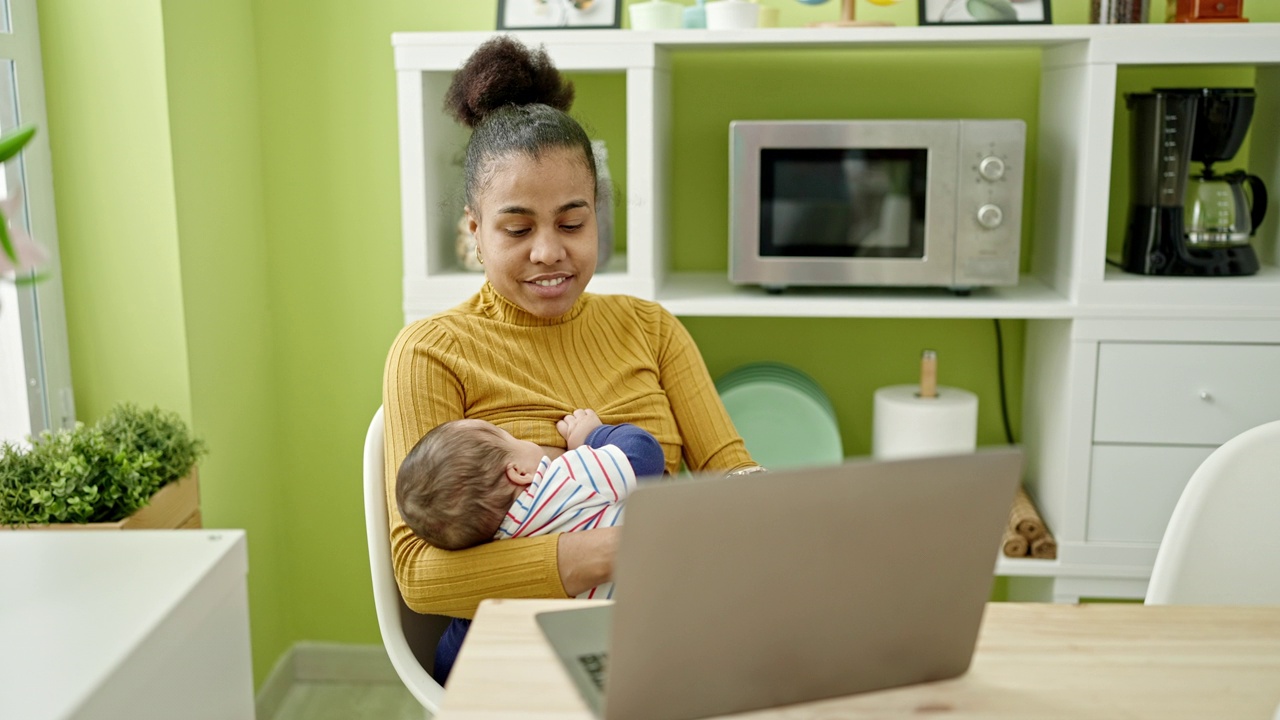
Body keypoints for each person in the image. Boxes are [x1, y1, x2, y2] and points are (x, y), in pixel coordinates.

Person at [382, 34, 764, 683]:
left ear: (598, 218)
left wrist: (770, 517)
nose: (549, 251)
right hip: (518, 662)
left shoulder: (652, 329)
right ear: (474, 230)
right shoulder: (431, 352)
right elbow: (422, 577)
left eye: (572, 221)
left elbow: (732, 473)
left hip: (657, 635)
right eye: (518, 228)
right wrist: (614, 552)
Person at [396, 408, 665, 601]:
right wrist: (592, 435)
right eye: (510, 437)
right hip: (656, 592)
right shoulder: (565, 477)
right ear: (519, 472)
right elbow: (643, 454)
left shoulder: (499, 549)